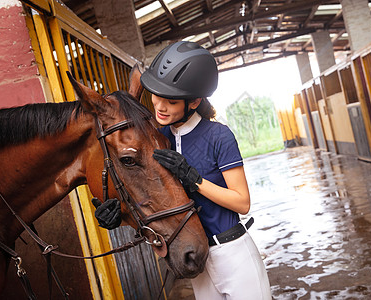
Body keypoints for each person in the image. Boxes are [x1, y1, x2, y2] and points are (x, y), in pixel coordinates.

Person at [93, 41, 271, 300]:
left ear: (194, 101)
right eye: (156, 96)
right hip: (195, 255)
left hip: (232, 252)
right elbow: (151, 196)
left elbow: (242, 203)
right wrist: (118, 216)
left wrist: (194, 180)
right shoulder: (157, 137)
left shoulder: (218, 136)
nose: (160, 107)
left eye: (171, 101)